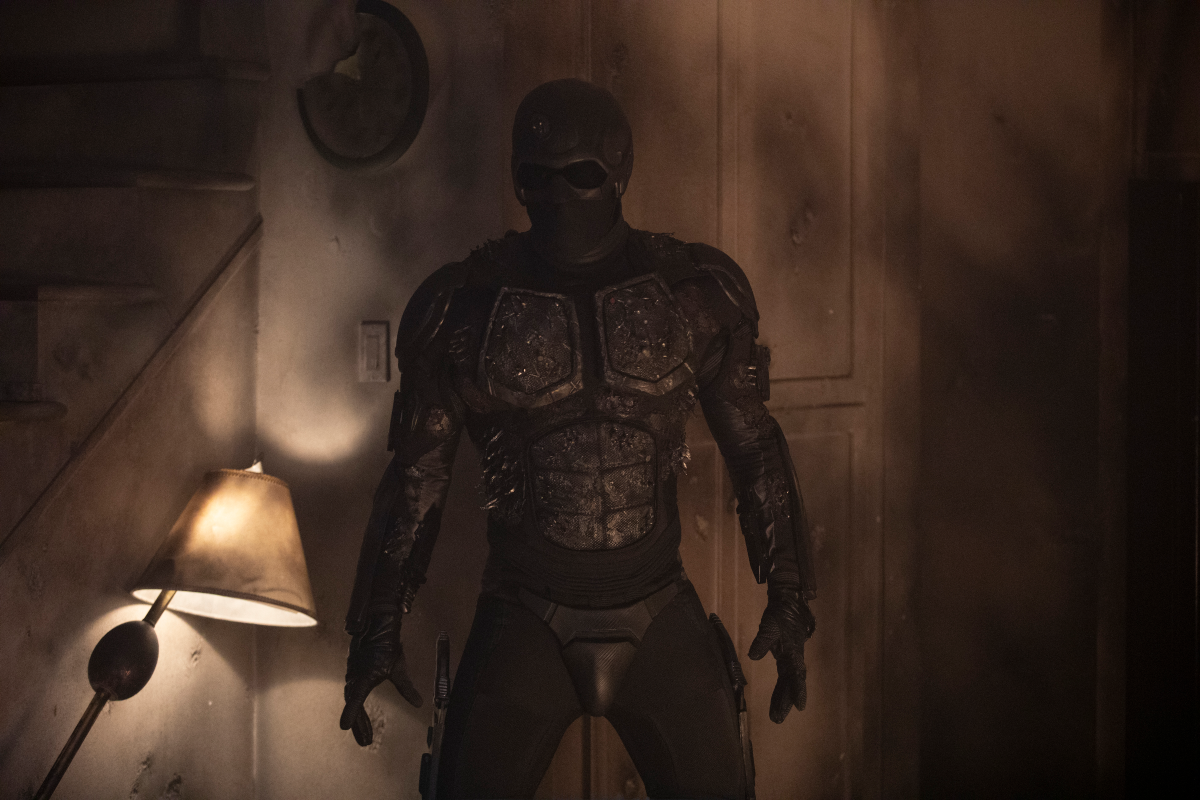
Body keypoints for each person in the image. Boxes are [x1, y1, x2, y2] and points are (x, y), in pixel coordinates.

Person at [339, 78, 817, 800]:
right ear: (517, 180)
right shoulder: (462, 307)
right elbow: (416, 480)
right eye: (539, 177)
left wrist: (789, 594)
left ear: (618, 172)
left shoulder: (695, 292)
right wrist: (376, 625)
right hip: (524, 612)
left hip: (657, 603)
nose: (559, 197)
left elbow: (756, 450)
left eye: (581, 174)